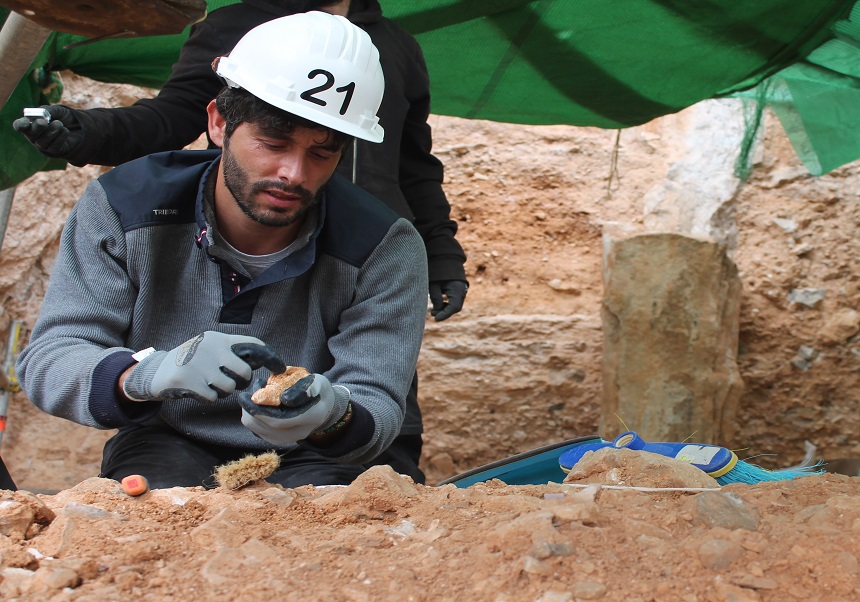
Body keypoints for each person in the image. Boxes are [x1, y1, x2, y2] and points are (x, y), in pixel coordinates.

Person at [13, 0, 467, 484]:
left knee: (351, 516)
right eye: (273, 143)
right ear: (218, 123)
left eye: (321, 152)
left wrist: (333, 414)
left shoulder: (383, 247)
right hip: (171, 438)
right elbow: (52, 357)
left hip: (322, 454)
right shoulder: (124, 210)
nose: (293, 174)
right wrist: (147, 374)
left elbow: (375, 399)